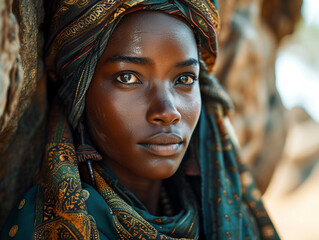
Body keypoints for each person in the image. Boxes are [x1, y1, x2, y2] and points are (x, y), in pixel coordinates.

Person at [1, 0, 279, 239]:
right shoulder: (40, 229)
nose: (168, 111)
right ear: (79, 92)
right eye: (128, 78)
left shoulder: (217, 211)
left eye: (184, 79)